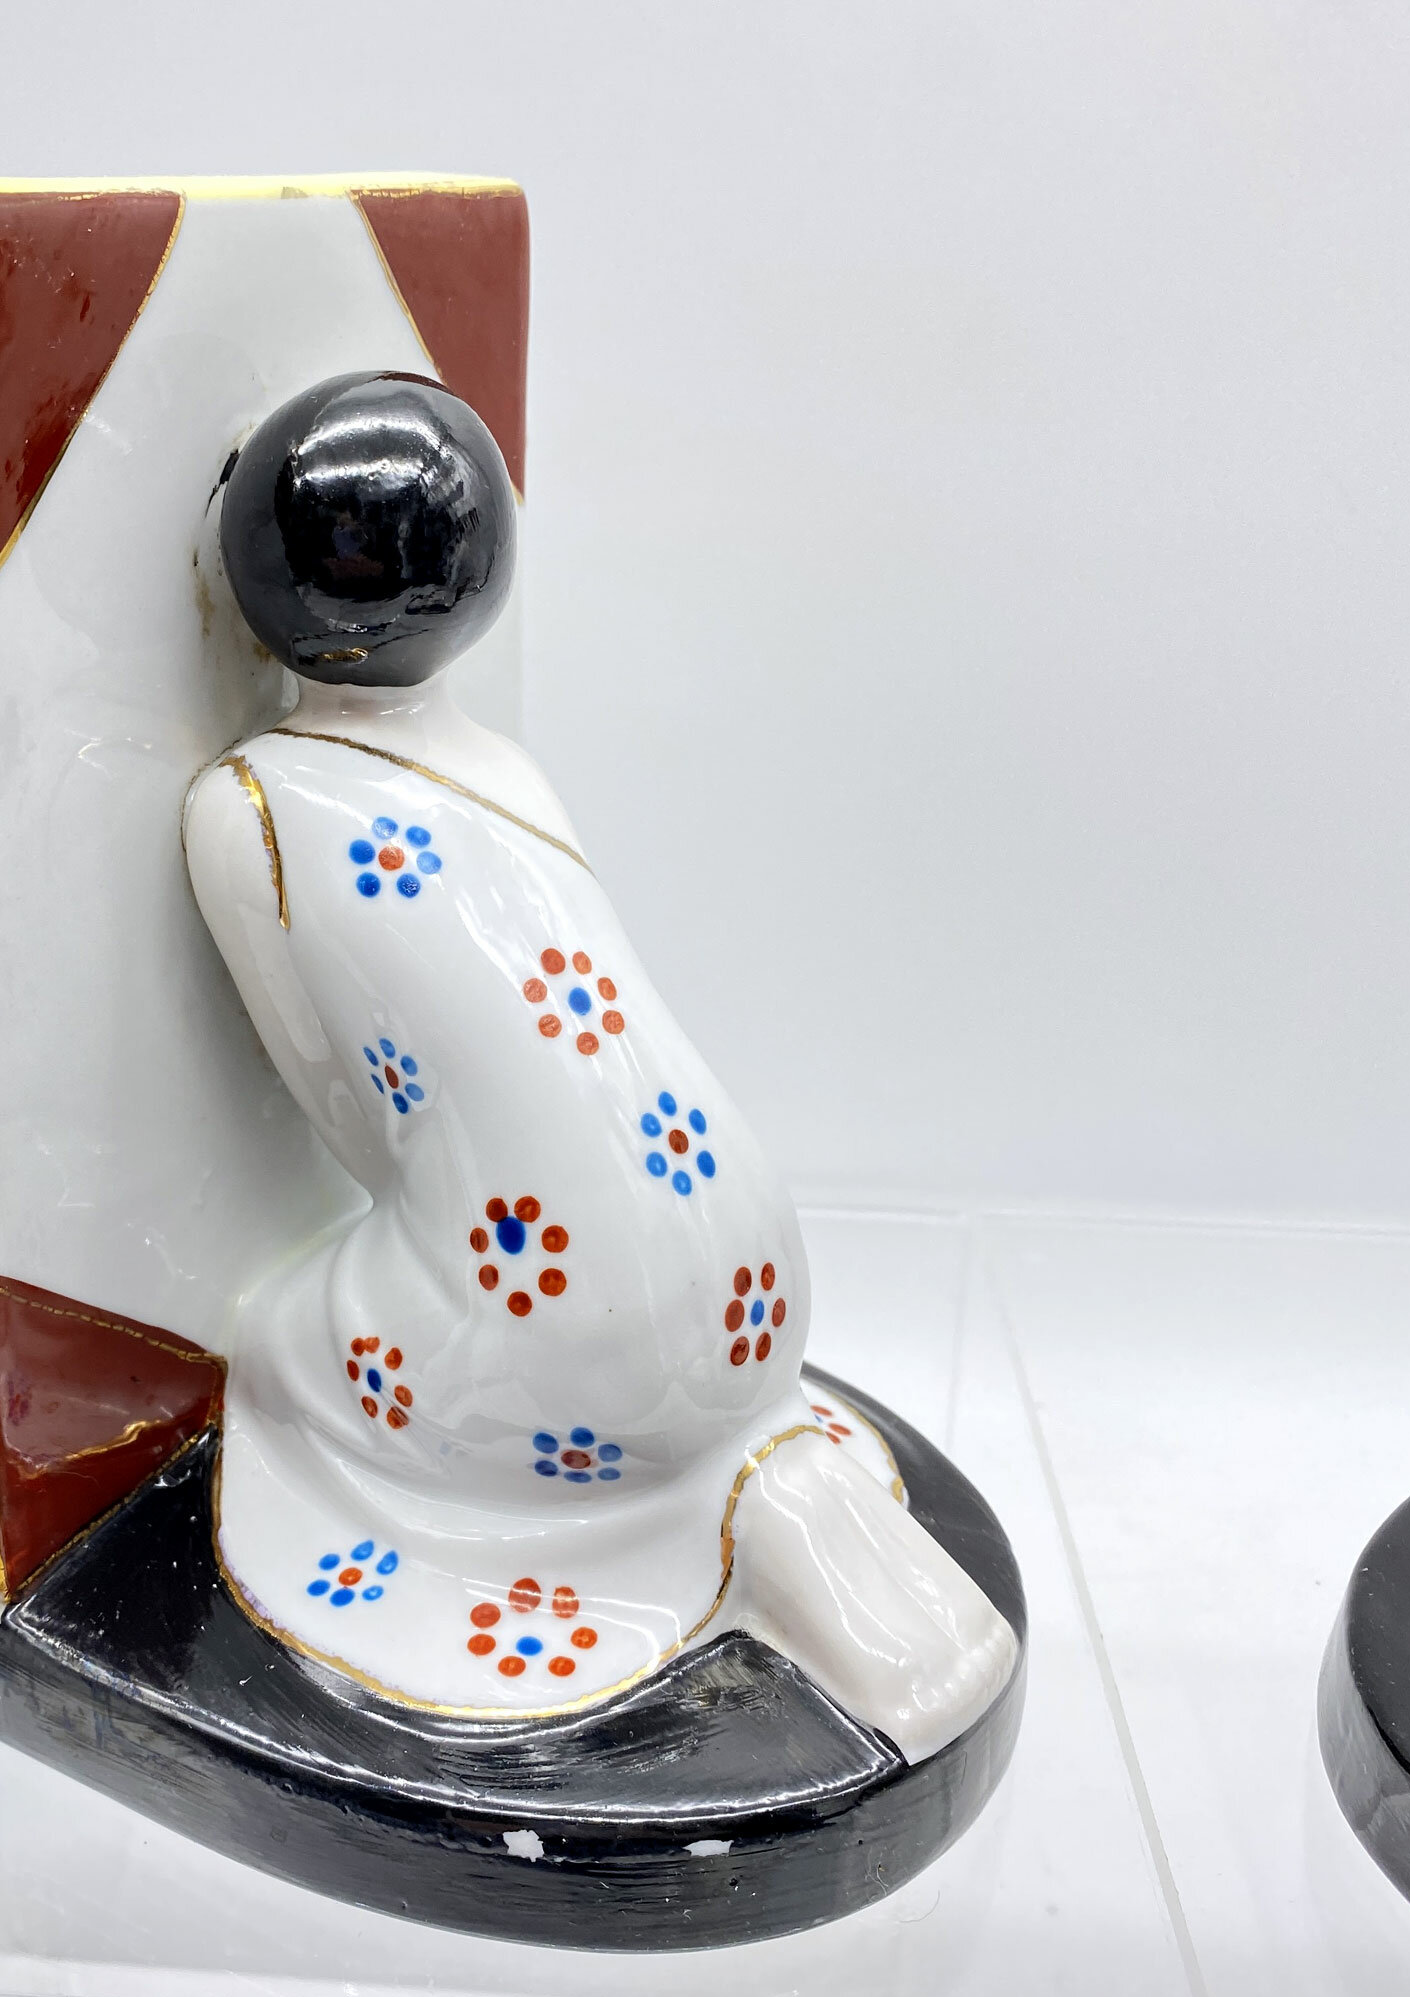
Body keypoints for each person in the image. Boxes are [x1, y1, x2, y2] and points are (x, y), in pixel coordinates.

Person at [183, 374, 1014, 1756]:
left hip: (559, 1346)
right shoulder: (509, 767)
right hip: (759, 1278)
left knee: (270, 1344)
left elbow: (343, 1109)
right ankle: (741, 1487)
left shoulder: (248, 804)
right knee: (621, 1347)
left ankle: (648, 1508)